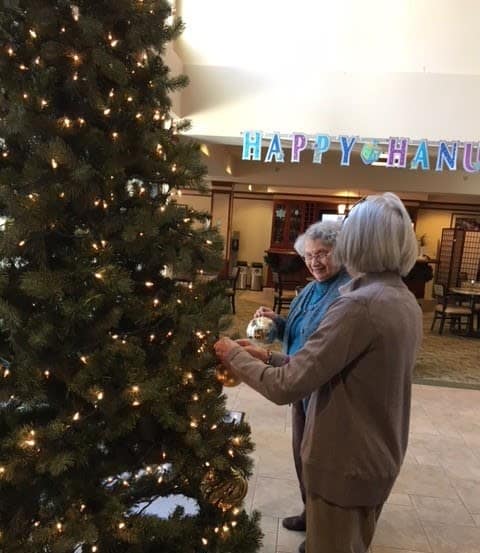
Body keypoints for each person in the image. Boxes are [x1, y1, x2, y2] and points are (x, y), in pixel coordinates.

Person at [214, 193, 423, 553]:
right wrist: (266, 355)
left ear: (356, 243)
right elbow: (327, 367)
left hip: (345, 461)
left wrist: (233, 354)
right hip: (377, 456)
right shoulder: (401, 298)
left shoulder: (359, 305)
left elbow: (286, 388)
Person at [253, 220, 350, 544]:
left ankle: (326, 530)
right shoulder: (310, 289)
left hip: (325, 390)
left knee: (322, 463)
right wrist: (274, 321)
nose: (315, 262)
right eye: (309, 255)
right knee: (302, 456)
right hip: (297, 381)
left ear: (341, 252)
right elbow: (296, 331)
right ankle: (311, 513)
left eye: (323, 253)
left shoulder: (347, 292)